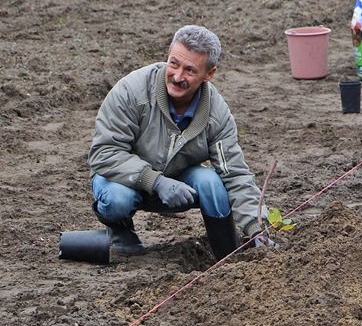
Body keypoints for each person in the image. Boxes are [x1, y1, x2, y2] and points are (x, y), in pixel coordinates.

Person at [88, 24, 265, 259]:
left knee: (212, 183)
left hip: (178, 182)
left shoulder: (216, 114)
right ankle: (120, 230)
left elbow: (234, 173)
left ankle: (226, 253)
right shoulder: (131, 91)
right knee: (117, 198)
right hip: (125, 181)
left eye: (190, 70)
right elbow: (104, 153)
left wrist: (257, 228)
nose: (178, 76)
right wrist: (156, 182)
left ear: (209, 74)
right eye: (174, 64)